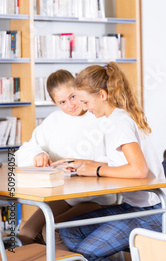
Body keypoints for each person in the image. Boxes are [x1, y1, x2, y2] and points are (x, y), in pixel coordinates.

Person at [52, 62, 166, 260]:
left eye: (85, 102)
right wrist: (83, 163)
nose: (84, 108)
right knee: (69, 231)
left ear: (102, 95)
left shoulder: (119, 122)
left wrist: (97, 170)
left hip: (154, 212)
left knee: (85, 253)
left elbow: (138, 170)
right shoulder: (116, 118)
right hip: (134, 207)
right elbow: (122, 165)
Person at [15, 69, 115, 249]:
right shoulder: (53, 121)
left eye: (73, 97)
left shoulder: (99, 115)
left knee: (50, 231)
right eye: (62, 102)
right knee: (26, 234)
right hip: (65, 197)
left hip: (97, 198)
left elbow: (117, 160)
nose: (71, 105)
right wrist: (38, 155)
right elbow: (25, 149)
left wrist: (83, 166)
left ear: (79, 89)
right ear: (54, 102)